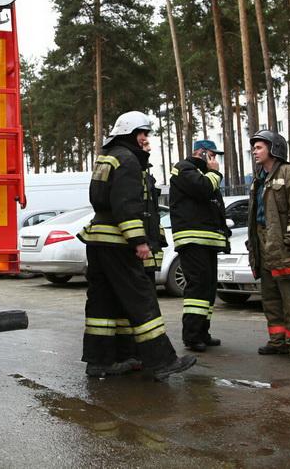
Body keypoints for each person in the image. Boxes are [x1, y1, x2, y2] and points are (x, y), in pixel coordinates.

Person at [79, 111, 196, 380]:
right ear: (130, 134)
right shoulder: (128, 161)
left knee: (102, 302)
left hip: (97, 241)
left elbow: (101, 201)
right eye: (143, 133)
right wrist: (139, 241)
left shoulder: (108, 158)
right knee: (141, 297)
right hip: (118, 242)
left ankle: (100, 361)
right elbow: (126, 205)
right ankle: (162, 361)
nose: (146, 139)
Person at [247, 130, 290, 361]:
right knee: (271, 297)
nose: (255, 151)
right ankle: (279, 341)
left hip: (287, 248)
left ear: (273, 148)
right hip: (265, 246)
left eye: (259, 147)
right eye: (254, 147)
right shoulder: (259, 178)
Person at [168, 139, 230, 352]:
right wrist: (215, 173)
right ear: (201, 153)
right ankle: (192, 336)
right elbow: (203, 189)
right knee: (197, 287)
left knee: (208, 287)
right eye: (212, 155)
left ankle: (203, 332)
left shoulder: (204, 174)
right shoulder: (184, 169)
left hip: (208, 241)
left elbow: (214, 206)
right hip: (193, 240)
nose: (215, 160)